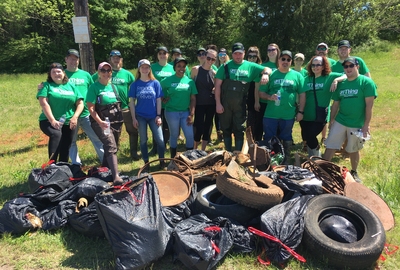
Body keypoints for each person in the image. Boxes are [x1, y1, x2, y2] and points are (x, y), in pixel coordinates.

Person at [322, 57, 377, 182]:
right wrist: (331, 121)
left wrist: (366, 125)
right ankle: (323, 170)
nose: (348, 69)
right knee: (330, 145)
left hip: (357, 122)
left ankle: (354, 171)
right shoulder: (342, 84)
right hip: (340, 120)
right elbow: (335, 104)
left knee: (353, 149)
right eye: (346, 67)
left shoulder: (366, 82)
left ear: (357, 66)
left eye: (351, 66)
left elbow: (369, 106)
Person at [214, 42, 271, 152]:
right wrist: (218, 103)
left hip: (240, 104)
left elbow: (268, 69)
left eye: (240, 53)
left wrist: (265, 74)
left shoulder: (250, 66)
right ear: (232, 54)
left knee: (239, 129)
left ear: (244, 53)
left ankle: (238, 154)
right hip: (225, 104)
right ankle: (228, 153)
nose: (238, 56)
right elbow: (217, 86)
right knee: (226, 128)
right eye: (235, 53)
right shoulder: (225, 67)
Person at [259, 50, 305, 164]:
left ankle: (286, 161)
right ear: (278, 60)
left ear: (291, 62)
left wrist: (301, 111)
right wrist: (269, 97)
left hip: (288, 114)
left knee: (287, 138)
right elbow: (261, 93)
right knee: (269, 138)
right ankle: (270, 161)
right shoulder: (272, 74)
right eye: (283, 59)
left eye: (288, 59)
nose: (285, 61)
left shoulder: (297, 76)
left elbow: (302, 94)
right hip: (271, 114)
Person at [92, 50, 138, 160]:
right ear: (110, 59)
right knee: (114, 134)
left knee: (133, 131)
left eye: (118, 57)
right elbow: (89, 83)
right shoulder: (104, 72)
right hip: (109, 110)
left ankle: (134, 153)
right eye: (113, 57)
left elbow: (136, 87)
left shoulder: (127, 74)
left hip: (125, 108)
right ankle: (114, 154)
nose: (116, 59)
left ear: (121, 59)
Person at [37, 62, 84, 162]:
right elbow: (43, 103)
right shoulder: (46, 86)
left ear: (63, 73)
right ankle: (52, 165)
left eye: (58, 71)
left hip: (69, 122)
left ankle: (63, 167)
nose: (56, 74)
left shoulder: (71, 86)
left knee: (66, 146)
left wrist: (75, 117)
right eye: (53, 72)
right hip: (48, 121)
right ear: (50, 74)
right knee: (56, 134)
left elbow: (80, 103)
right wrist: (53, 120)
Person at [300, 56, 346, 157]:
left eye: (318, 65)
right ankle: (311, 157)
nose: (315, 67)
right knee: (306, 137)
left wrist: (336, 80)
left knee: (311, 135)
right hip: (306, 114)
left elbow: (346, 75)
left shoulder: (329, 77)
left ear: (323, 66)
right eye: (313, 65)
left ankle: (317, 156)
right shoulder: (306, 79)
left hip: (320, 115)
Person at [64, 49, 104, 165]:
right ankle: (77, 165)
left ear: (78, 60)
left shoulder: (85, 75)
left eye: (75, 58)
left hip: (87, 113)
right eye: (70, 58)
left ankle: (106, 162)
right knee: (71, 141)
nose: (73, 61)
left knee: (97, 138)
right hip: (70, 115)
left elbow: (93, 90)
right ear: (66, 60)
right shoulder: (62, 75)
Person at [87, 62, 124, 185]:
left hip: (115, 121)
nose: (106, 73)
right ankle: (116, 177)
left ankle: (103, 171)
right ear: (99, 72)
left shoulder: (113, 87)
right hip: (101, 122)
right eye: (103, 70)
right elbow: (91, 108)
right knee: (110, 145)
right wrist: (100, 122)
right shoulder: (94, 87)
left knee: (113, 147)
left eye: (109, 71)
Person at [129, 59, 165, 168]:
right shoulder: (135, 84)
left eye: (147, 67)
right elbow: (131, 102)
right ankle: (146, 163)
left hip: (153, 116)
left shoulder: (155, 83)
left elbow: (159, 100)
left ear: (150, 69)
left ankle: (162, 161)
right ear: (139, 69)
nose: (145, 69)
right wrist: (134, 118)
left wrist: (158, 115)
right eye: (142, 67)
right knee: (143, 140)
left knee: (160, 140)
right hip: (140, 116)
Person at [161, 57, 198, 158]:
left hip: (186, 112)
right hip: (171, 112)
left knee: (190, 135)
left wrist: (192, 114)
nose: (181, 68)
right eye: (179, 66)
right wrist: (163, 98)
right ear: (174, 67)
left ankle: (189, 159)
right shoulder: (166, 80)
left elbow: (193, 98)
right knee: (174, 135)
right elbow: (159, 91)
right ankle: (173, 159)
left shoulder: (190, 81)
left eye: (183, 66)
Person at [150, 46, 175, 155]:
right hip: (155, 101)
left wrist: (169, 96)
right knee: (155, 124)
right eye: (160, 53)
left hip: (168, 101)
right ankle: (155, 147)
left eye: (164, 53)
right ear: (157, 55)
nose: (162, 55)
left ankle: (163, 145)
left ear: (168, 55)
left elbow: (175, 82)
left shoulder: (172, 67)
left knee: (166, 126)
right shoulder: (152, 67)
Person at [191, 49, 217, 150]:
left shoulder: (214, 72)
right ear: (205, 57)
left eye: (213, 59)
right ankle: (194, 148)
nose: (210, 61)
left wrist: (215, 88)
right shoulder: (195, 70)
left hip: (211, 103)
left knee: (208, 126)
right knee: (198, 126)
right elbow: (190, 84)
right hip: (199, 103)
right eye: (209, 58)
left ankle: (203, 150)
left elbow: (217, 86)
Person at [245, 46, 264, 142]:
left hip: (255, 98)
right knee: (249, 123)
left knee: (257, 122)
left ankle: (257, 142)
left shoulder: (258, 69)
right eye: (250, 56)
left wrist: (257, 102)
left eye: (254, 57)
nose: (252, 59)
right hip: (245, 98)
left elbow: (257, 87)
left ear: (257, 58)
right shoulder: (244, 67)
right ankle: (249, 143)